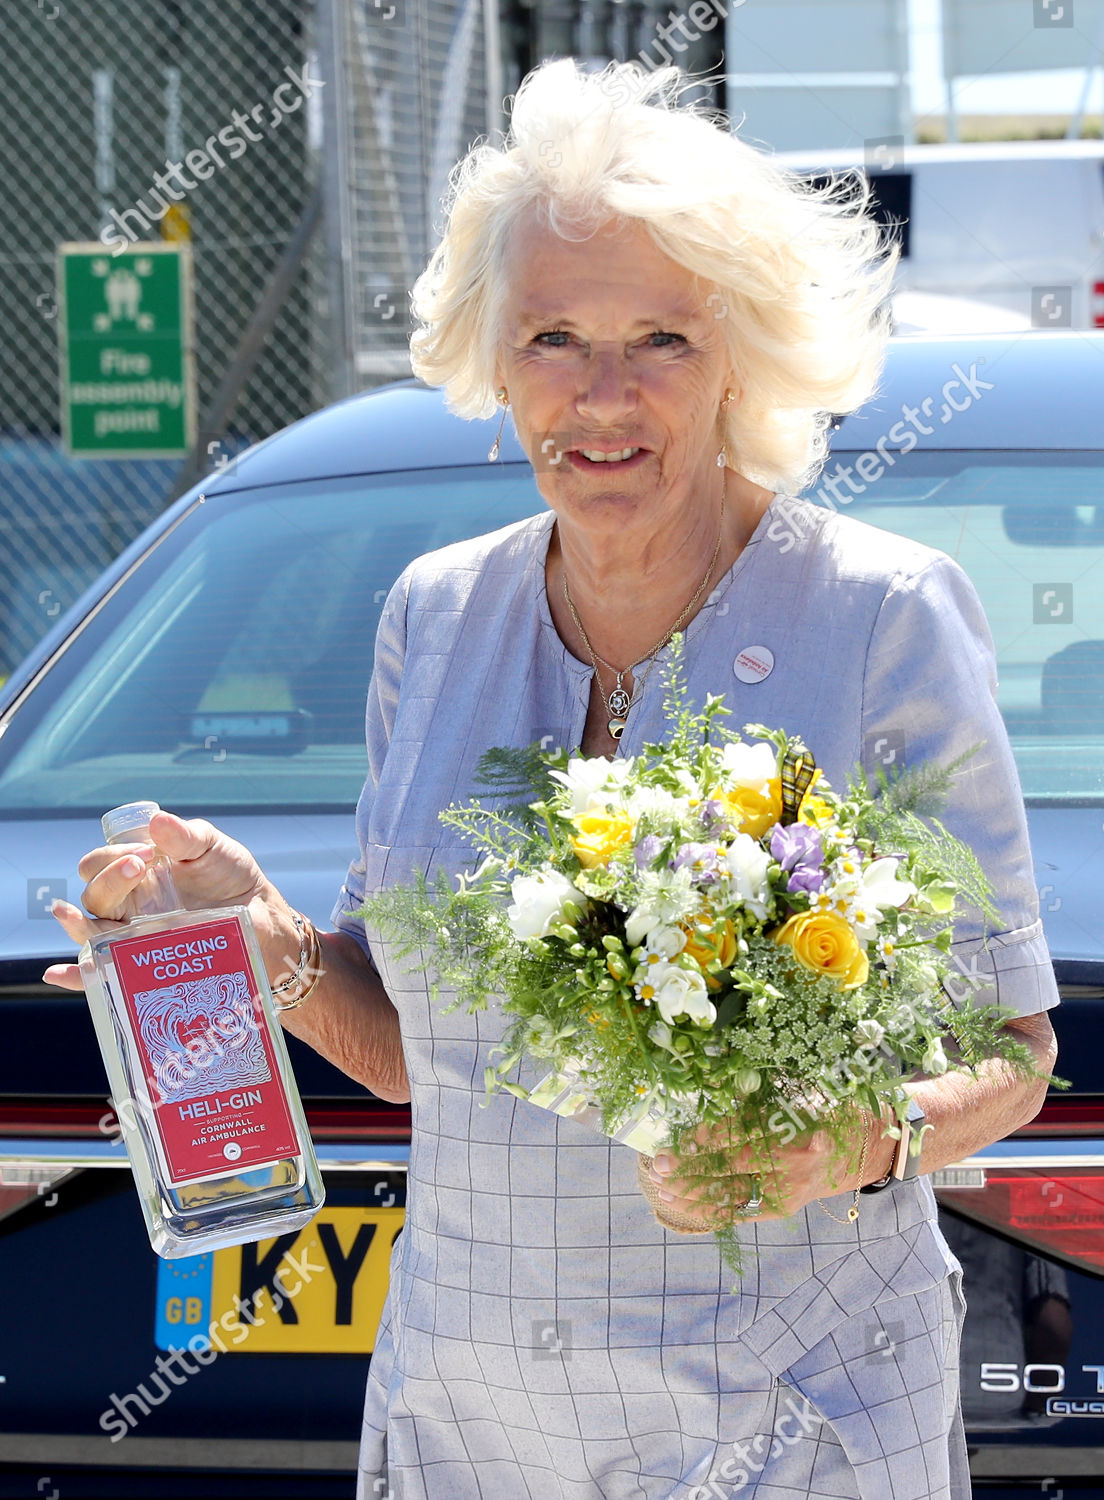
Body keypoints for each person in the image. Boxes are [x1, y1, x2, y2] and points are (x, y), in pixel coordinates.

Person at [46, 58, 1059, 1500]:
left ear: (743, 354)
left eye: (660, 336)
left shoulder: (882, 616)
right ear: (490, 353)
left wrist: (854, 1140)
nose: (602, 396)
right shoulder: (433, 616)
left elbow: (1015, 1049)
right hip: (473, 1424)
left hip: (789, 1424)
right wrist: (252, 929)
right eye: (551, 338)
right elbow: (420, 1056)